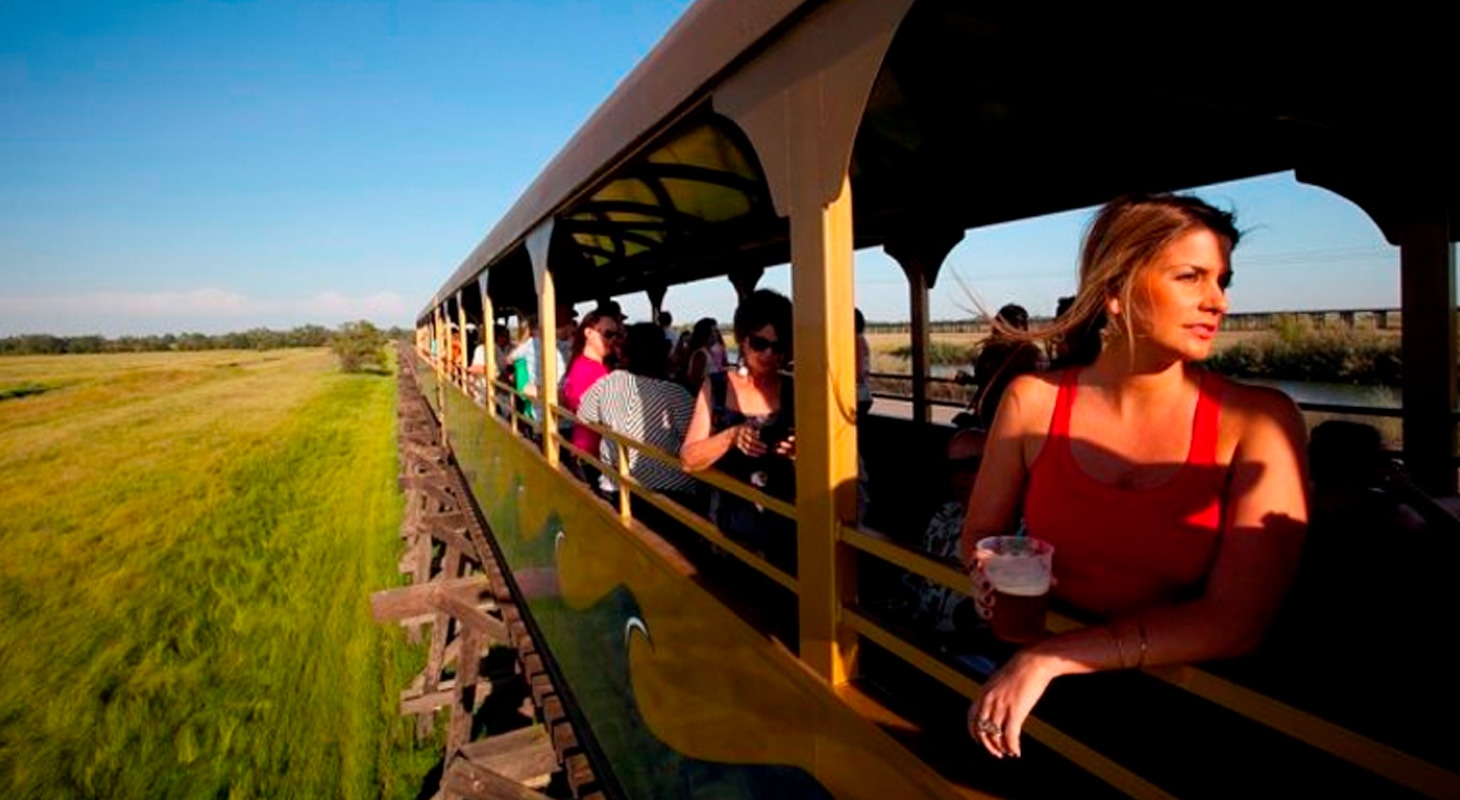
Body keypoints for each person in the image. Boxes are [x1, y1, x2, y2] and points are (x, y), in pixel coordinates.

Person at [960, 194, 1309, 759]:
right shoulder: (1033, 401)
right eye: (1191, 277)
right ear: (1116, 292)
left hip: (1192, 710)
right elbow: (980, 529)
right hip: (1041, 697)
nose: (1217, 301)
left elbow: (1238, 620)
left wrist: (1055, 656)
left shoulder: (1260, 421)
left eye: (1222, 280)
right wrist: (983, 567)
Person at [681, 290, 797, 571]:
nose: (769, 354)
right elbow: (688, 459)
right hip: (728, 531)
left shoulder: (796, 390)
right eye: (760, 343)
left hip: (786, 530)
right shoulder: (717, 387)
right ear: (742, 340)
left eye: (778, 346)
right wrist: (732, 436)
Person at [577, 322, 699, 508]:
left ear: (627, 353)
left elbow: (584, 414)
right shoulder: (675, 394)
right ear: (664, 352)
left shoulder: (609, 382)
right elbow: (695, 444)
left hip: (614, 488)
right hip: (666, 495)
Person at [562, 310, 624, 464]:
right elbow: (583, 409)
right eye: (608, 334)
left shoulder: (606, 367)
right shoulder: (581, 369)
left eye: (618, 335)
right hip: (591, 454)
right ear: (588, 333)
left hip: (605, 453)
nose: (613, 340)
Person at [681, 317, 723, 393]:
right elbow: (694, 381)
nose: (717, 334)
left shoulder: (709, 351)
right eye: (714, 331)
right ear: (707, 334)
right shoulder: (700, 354)